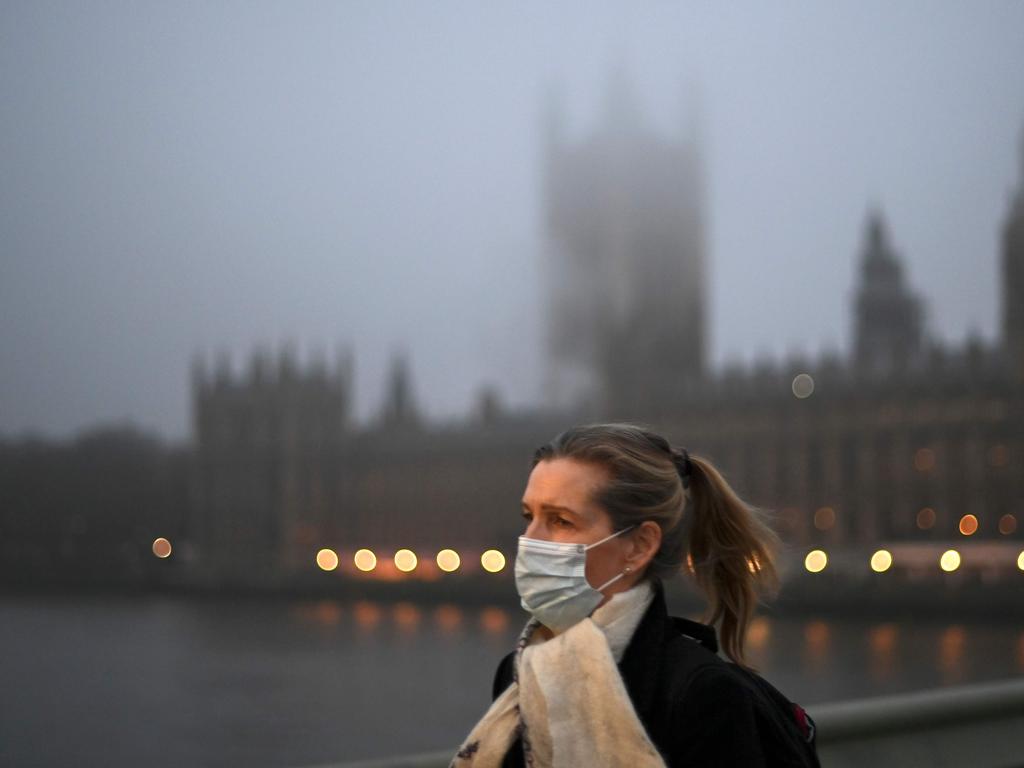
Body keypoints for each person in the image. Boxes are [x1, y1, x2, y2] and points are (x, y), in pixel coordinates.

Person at [451, 423, 819, 768]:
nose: (531, 540)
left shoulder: (704, 695)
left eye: (561, 521)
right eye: (528, 516)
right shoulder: (519, 673)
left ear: (638, 547)